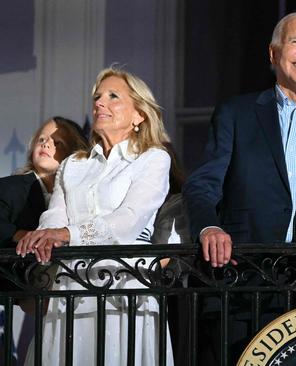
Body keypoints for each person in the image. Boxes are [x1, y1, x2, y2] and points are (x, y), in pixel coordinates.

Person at [182, 11, 296, 364]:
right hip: (240, 286)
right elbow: (202, 185)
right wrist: (210, 226)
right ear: (273, 54)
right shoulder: (236, 113)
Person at [16, 67, 174, 365]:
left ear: (139, 114)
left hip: (123, 288)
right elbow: (54, 215)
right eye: (98, 97)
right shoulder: (73, 165)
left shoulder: (153, 158)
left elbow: (129, 220)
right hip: (69, 286)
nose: (100, 103)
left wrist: (66, 235)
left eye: (113, 96)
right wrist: (44, 235)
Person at [0, 117, 88, 247]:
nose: (46, 144)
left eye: (58, 143)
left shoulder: (79, 196)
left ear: (75, 155)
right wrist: (29, 237)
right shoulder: (8, 186)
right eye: (41, 139)